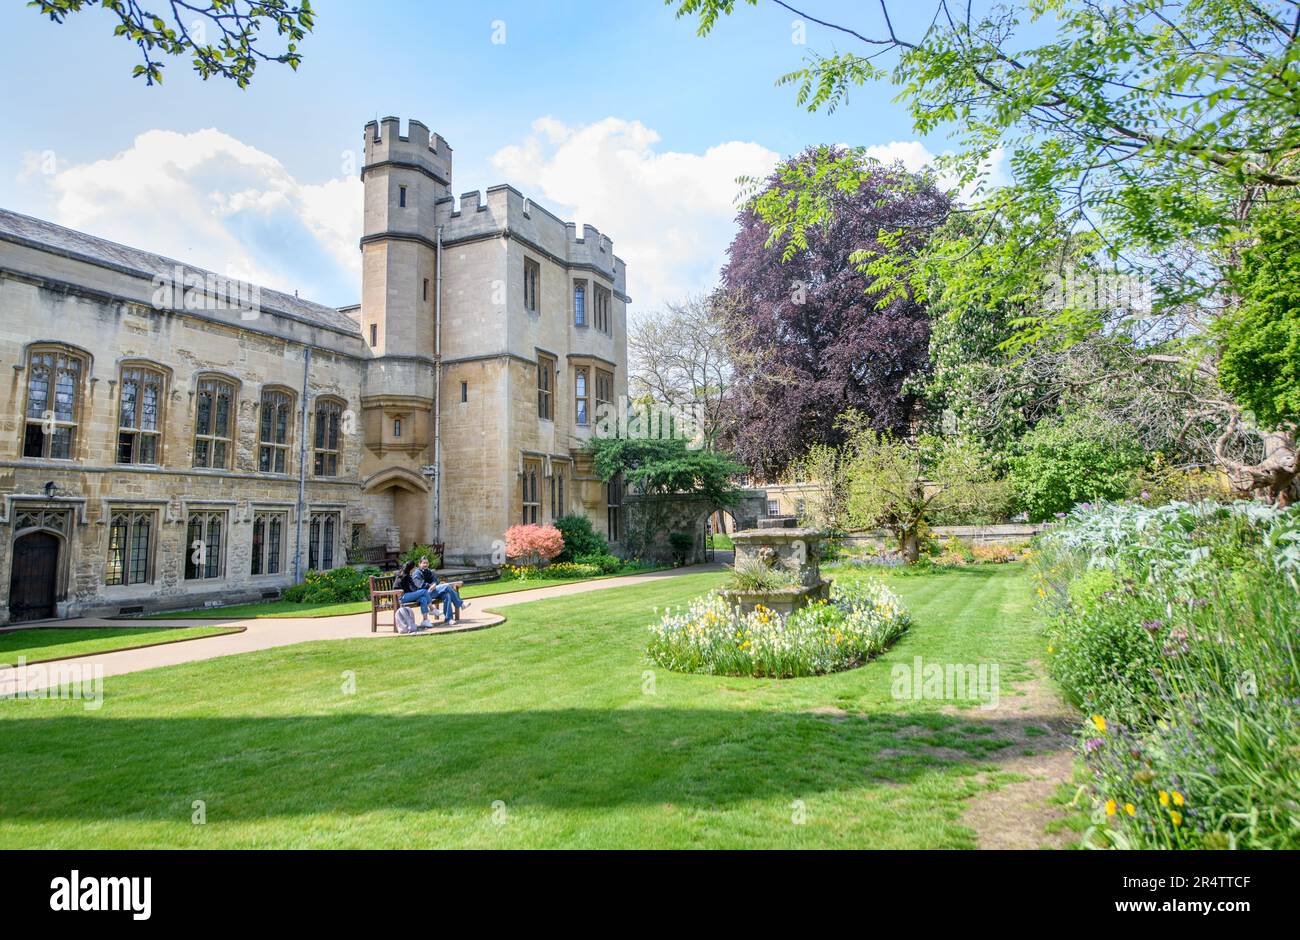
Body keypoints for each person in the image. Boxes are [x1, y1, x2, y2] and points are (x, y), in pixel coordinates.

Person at [416, 555, 468, 624]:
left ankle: (448, 619)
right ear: (419, 564)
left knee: (447, 595)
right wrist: (430, 585)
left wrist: (434, 584)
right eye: (424, 563)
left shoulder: (428, 571)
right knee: (446, 586)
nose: (426, 565)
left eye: (427, 563)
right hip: (424, 594)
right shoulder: (417, 573)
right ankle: (460, 603)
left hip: (433, 592)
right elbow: (419, 585)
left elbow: (435, 580)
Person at [395, 560, 435, 630]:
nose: (415, 568)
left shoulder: (408, 575)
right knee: (424, 591)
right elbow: (395, 588)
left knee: (423, 598)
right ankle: (432, 609)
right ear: (412, 568)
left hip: (408, 595)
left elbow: (413, 588)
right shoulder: (403, 575)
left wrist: (417, 592)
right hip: (402, 597)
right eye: (414, 567)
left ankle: (425, 620)